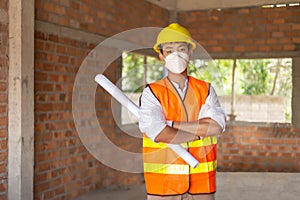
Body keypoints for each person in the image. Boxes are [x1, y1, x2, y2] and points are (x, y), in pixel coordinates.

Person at [138, 23, 226, 200]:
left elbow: (216, 127)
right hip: (164, 185)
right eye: (169, 50)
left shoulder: (205, 89)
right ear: (161, 56)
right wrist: (199, 131)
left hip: (201, 183)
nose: (176, 54)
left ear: (190, 52)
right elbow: (159, 133)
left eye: (181, 48)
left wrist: (171, 125)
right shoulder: (152, 92)